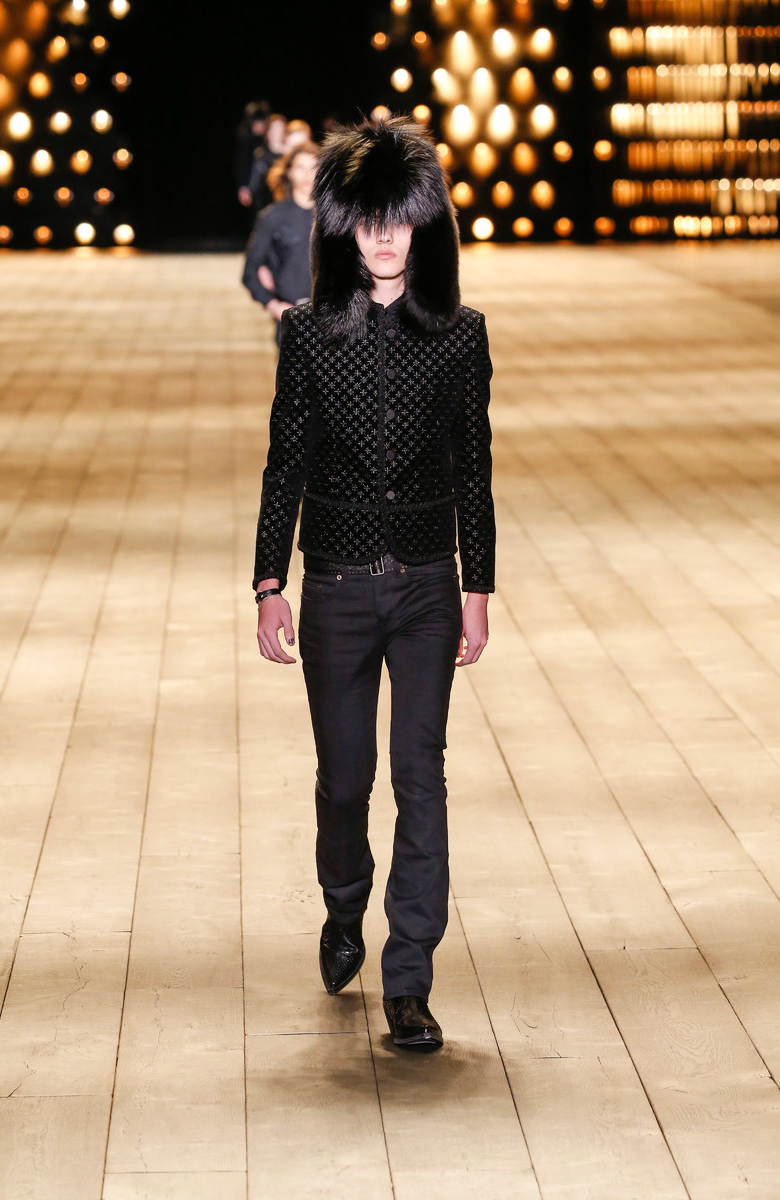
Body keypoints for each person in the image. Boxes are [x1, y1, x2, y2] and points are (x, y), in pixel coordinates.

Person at [252, 116, 495, 1053]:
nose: (386, 237)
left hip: (430, 585)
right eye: (371, 219)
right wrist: (268, 580)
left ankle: (411, 979)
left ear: (423, 224)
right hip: (338, 590)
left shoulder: (459, 336)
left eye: (400, 219)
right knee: (345, 780)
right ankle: (344, 902)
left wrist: (478, 587)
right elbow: (285, 461)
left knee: (421, 776)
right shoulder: (311, 336)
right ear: (346, 226)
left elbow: (474, 466)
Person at [241, 141, 320, 341]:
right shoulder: (273, 217)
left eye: (313, 167)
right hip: (291, 317)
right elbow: (250, 271)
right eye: (300, 167)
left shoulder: (334, 215)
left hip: (330, 320)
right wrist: (274, 306)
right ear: (289, 172)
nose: (307, 174)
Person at [246, 113, 287, 214]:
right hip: (266, 207)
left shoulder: (289, 156)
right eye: (274, 129)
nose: (277, 133)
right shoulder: (261, 155)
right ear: (268, 132)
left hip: (286, 206)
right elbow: (255, 185)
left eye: (280, 129)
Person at [235, 100, 270, 209]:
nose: (257, 126)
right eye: (255, 122)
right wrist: (243, 187)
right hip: (252, 188)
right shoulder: (247, 140)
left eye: (260, 122)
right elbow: (242, 165)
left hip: (265, 188)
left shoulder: (266, 140)